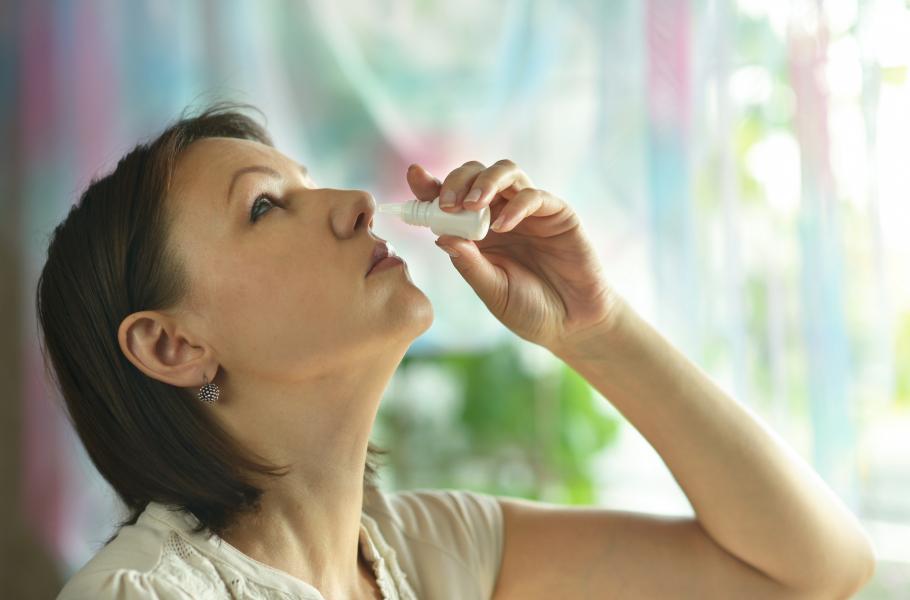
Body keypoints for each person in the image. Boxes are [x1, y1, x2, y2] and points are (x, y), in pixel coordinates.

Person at [39, 102, 875, 600]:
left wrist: (595, 327)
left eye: (307, 182)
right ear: (172, 344)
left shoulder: (434, 553)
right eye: (265, 206)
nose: (354, 203)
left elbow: (813, 571)